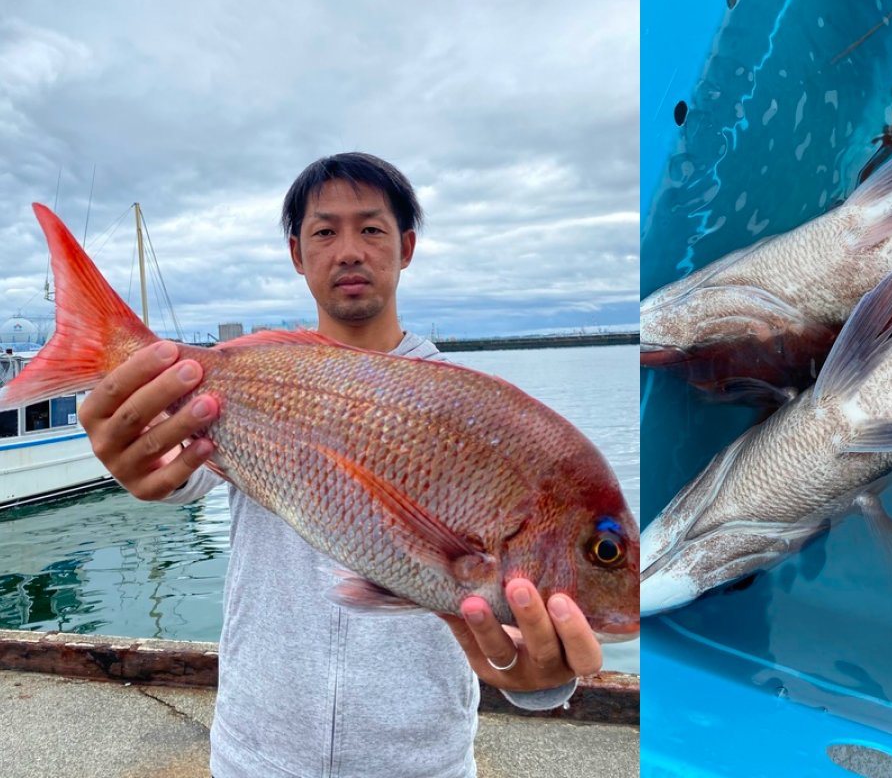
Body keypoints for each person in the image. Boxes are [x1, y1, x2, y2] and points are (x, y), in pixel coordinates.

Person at [80, 153, 604, 778]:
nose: (349, 250)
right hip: (254, 755)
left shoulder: (478, 415)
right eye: (325, 231)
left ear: (406, 247)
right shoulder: (251, 382)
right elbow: (176, 470)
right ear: (297, 254)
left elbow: (519, 653)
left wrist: (540, 681)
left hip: (424, 764)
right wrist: (133, 458)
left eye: (372, 229)